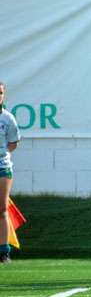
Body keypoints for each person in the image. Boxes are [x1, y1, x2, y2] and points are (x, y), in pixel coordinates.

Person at [0, 82, 21, 264]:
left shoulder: (8, 118)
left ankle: (4, 251)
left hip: (2, 167)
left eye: (0, 93)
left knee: (2, 208)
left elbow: (13, 143)